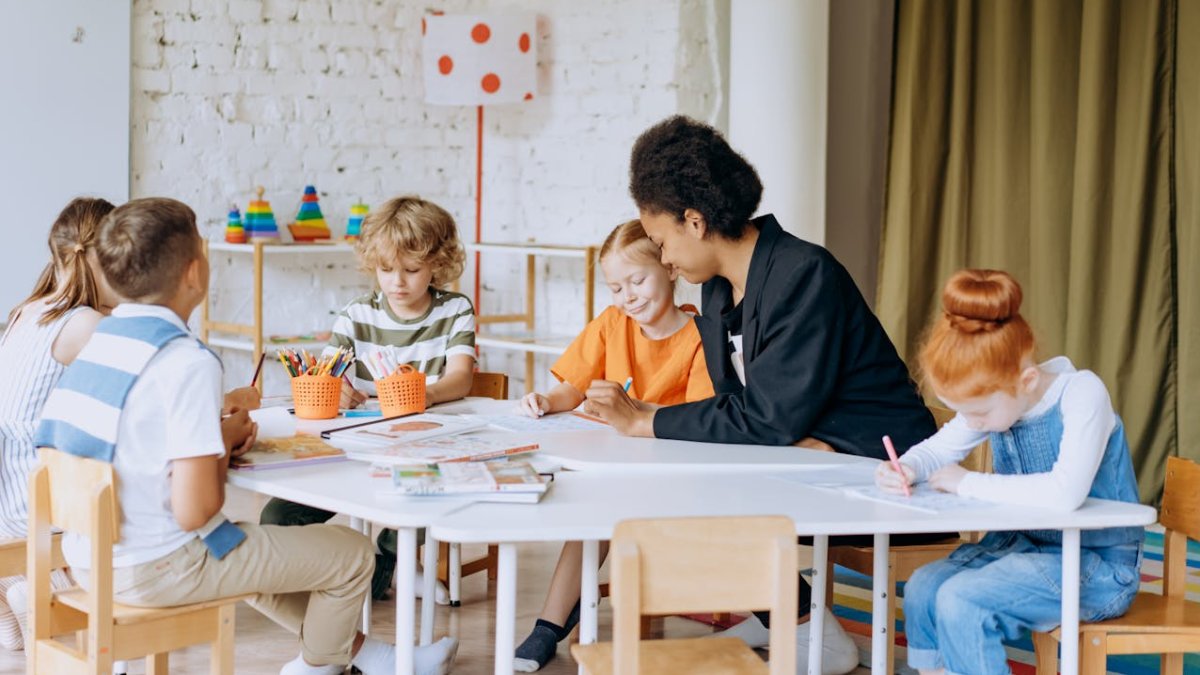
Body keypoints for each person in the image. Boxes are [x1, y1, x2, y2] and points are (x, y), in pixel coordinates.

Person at [34, 198, 458, 675]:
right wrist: (220, 445)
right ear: (195, 272)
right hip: (156, 567)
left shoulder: (100, 340)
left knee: (248, 548)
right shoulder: (186, 361)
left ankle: (377, 658)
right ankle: (318, 668)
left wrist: (215, 437)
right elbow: (198, 510)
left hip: (87, 558)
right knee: (353, 554)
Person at [586, 115, 939, 674]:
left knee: (701, 479)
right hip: (809, 446)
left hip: (887, 463)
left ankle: (810, 631)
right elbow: (749, 413)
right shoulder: (720, 290)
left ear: (695, 221)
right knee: (696, 464)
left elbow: (767, 417)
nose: (665, 259)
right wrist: (652, 416)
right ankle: (786, 614)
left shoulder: (804, 273)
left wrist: (648, 421)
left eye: (660, 241)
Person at [875, 269, 1143, 675]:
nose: (972, 421)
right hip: (1021, 548)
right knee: (923, 588)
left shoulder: (1083, 394)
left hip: (1097, 566)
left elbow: (1064, 495)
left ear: (1027, 379)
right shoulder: (997, 399)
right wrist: (907, 466)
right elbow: (938, 449)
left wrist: (965, 482)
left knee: (962, 600)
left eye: (979, 412)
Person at [512, 219, 714, 671]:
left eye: (637, 281)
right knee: (593, 510)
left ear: (670, 268)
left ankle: (551, 623)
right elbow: (573, 389)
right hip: (609, 462)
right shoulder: (611, 323)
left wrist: (632, 409)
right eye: (615, 288)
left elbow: (701, 418)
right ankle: (549, 625)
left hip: (669, 475)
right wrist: (547, 400)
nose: (628, 298)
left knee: (601, 512)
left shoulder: (700, 337)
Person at [261, 195, 475, 602]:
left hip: (424, 446)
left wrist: (422, 394)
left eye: (412, 270)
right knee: (277, 517)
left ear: (438, 264)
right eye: (386, 269)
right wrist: (336, 387)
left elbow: (461, 379)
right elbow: (327, 377)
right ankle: (364, 573)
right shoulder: (356, 314)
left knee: (440, 488)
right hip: (356, 450)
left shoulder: (455, 310)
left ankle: (389, 564)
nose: (398, 282)